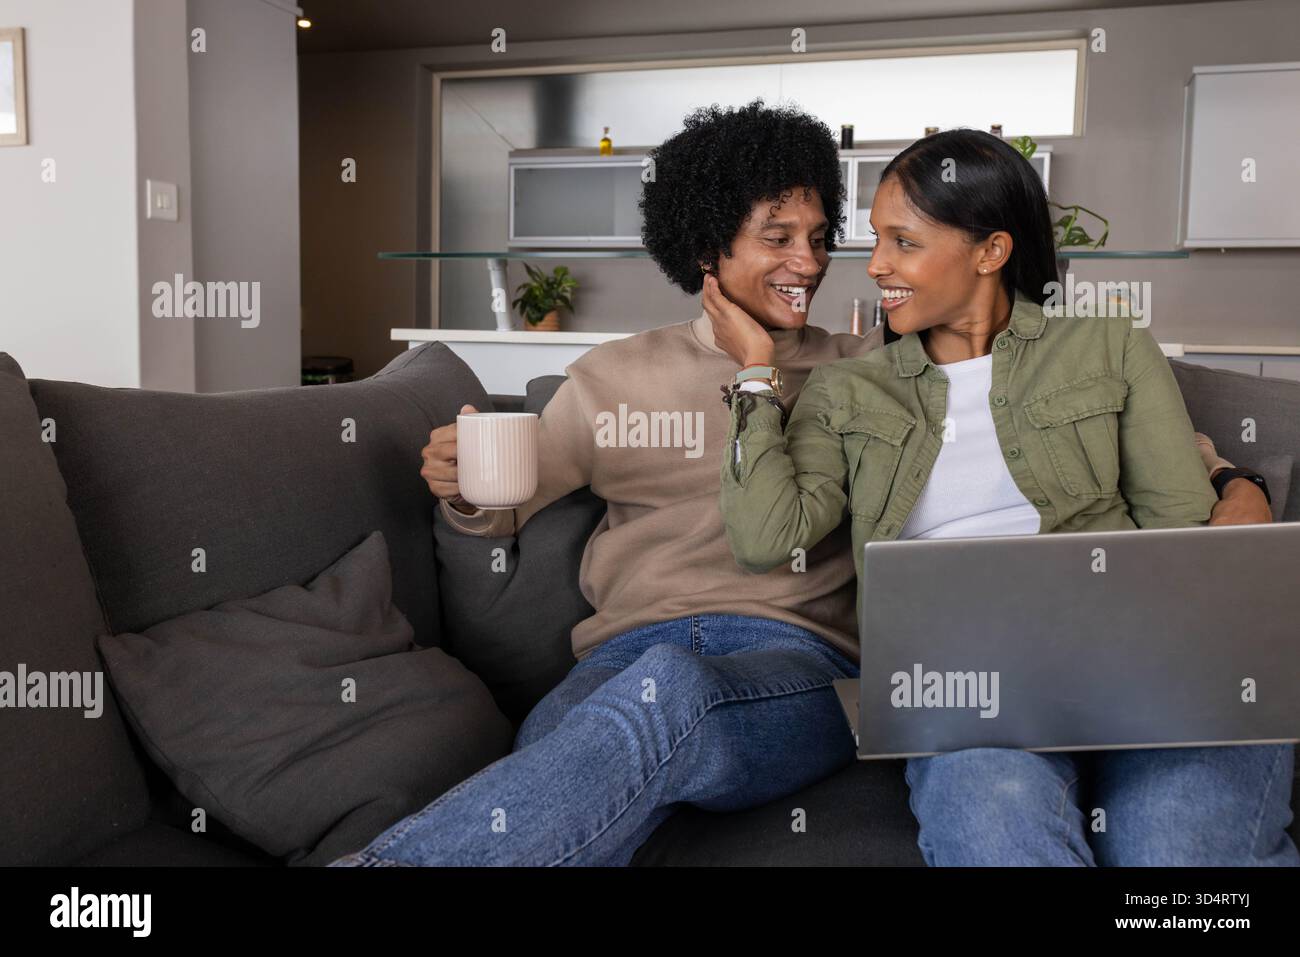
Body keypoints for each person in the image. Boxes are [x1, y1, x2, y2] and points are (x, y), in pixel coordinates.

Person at [330, 104, 1271, 867]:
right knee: (577, 783)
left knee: (666, 700)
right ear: (707, 245)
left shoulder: (856, 364)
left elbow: (1084, 415)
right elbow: (506, 494)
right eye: (778, 237)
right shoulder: (616, 378)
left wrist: (1235, 479)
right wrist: (463, 486)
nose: (816, 263)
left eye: (823, 236)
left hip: (804, 662)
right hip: (624, 660)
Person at [710, 128, 1296, 866]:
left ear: (990, 251)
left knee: (1179, 843)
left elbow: (1176, 525)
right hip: (964, 693)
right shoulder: (846, 388)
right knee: (995, 824)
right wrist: (757, 372)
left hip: (1141, 663)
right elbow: (767, 534)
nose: (876, 265)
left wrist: (1238, 486)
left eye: (904, 241)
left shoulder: (1108, 347)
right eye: (875, 240)